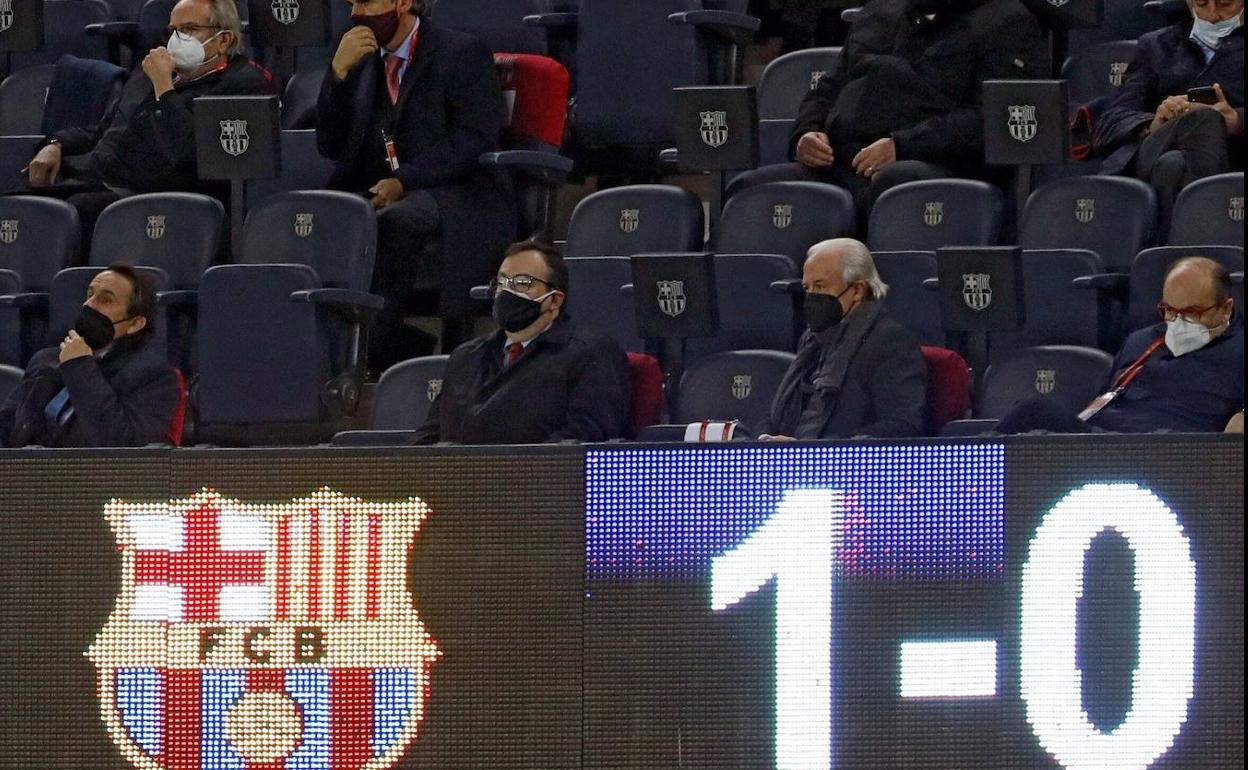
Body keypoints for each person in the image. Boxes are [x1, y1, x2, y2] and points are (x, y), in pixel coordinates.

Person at [317, 0, 516, 371]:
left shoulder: (462, 52)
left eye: (368, 1)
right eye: (352, 3)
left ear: (403, 3)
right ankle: (343, 352)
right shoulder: (358, 57)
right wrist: (337, 77)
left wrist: (403, 180)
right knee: (319, 216)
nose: (358, 12)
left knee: (399, 219)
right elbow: (330, 145)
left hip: (461, 191)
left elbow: (473, 139)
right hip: (383, 186)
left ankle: (372, 355)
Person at [729, 0, 1046, 220]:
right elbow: (828, 87)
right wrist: (807, 132)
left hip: (932, 166)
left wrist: (903, 145)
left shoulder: (1006, 20)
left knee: (897, 180)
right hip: (840, 164)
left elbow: (994, 118)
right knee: (751, 189)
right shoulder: (879, 11)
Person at [22, 0, 274, 250]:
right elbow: (102, 131)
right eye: (173, 31)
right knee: (20, 206)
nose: (176, 39)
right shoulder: (148, 72)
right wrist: (56, 143)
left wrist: (164, 87)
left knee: (73, 210)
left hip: (149, 194)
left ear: (224, 40)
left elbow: (188, 153)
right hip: (96, 179)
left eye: (188, 29)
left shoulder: (241, 84)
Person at [411, 241, 632, 445]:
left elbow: (585, 436)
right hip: (458, 481)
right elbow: (430, 435)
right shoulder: (466, 357)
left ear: (555, 299)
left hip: (536, 482)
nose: (507, 291)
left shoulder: (591, 354)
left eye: (522, 283)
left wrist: (513, 473)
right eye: (502, 282)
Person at [995, 256, 1243, 434]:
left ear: (1226, 308)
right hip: (1105, 438)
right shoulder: (1141, 340)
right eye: (1170, 311)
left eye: (1193, 313)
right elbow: (1105, 398)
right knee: (1032, 409)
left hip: (1175, 445)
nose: (1179, 322)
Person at [757, 238, 927, 439]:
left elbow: (902, 427)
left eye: (820, 286)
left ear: (857, 290)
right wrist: (763, 442)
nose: (811, 297)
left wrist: (811, 452)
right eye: (807, 288)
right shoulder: (812, 338)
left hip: (840, 465)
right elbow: (777, 412)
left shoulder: (890, 342)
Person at [1092, 0, 1243, 222]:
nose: (1212, 15)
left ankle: (1183, 241)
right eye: (1201, 4)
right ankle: (1207, 237)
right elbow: (1111, 121)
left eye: (1225, 4)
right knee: (1200, 119)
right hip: (1157, 146)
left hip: (1231, 153)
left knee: (1175, 162)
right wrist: (1152, 123)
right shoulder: (1155, 45)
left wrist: (1237, 121)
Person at [0, 265, 180, 447]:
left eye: (106, 300)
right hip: (26, 472)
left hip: (91, 474)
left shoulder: (153, 376)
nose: (89, 304)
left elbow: (122, 445)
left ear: (134, 323)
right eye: (90, 295)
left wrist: (79, 366)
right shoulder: (45, 360)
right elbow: (7, 426)